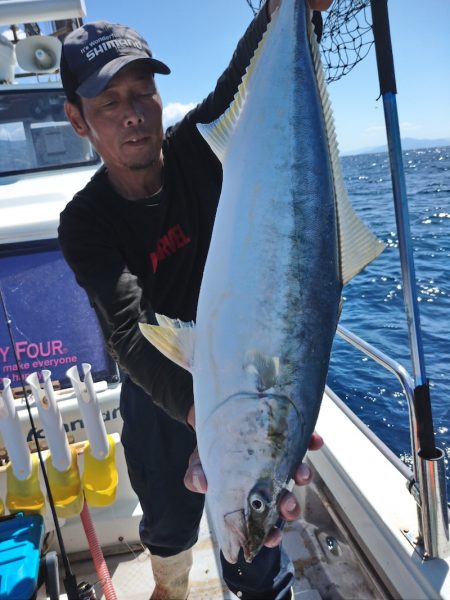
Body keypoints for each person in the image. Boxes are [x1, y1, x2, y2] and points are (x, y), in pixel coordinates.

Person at [58, 0, 330, 598]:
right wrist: (206, 416)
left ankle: (263, 586)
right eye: (108, 103)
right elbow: (129, 334)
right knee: (169, 527)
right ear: (78, 120)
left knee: (258, 550)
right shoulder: (85, 222)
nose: (132, 115)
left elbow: (241, 74)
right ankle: (171, 584)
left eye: (143, 92)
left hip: (228, 391)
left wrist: (294, 12)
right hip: (160, 390)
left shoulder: (198, 150)